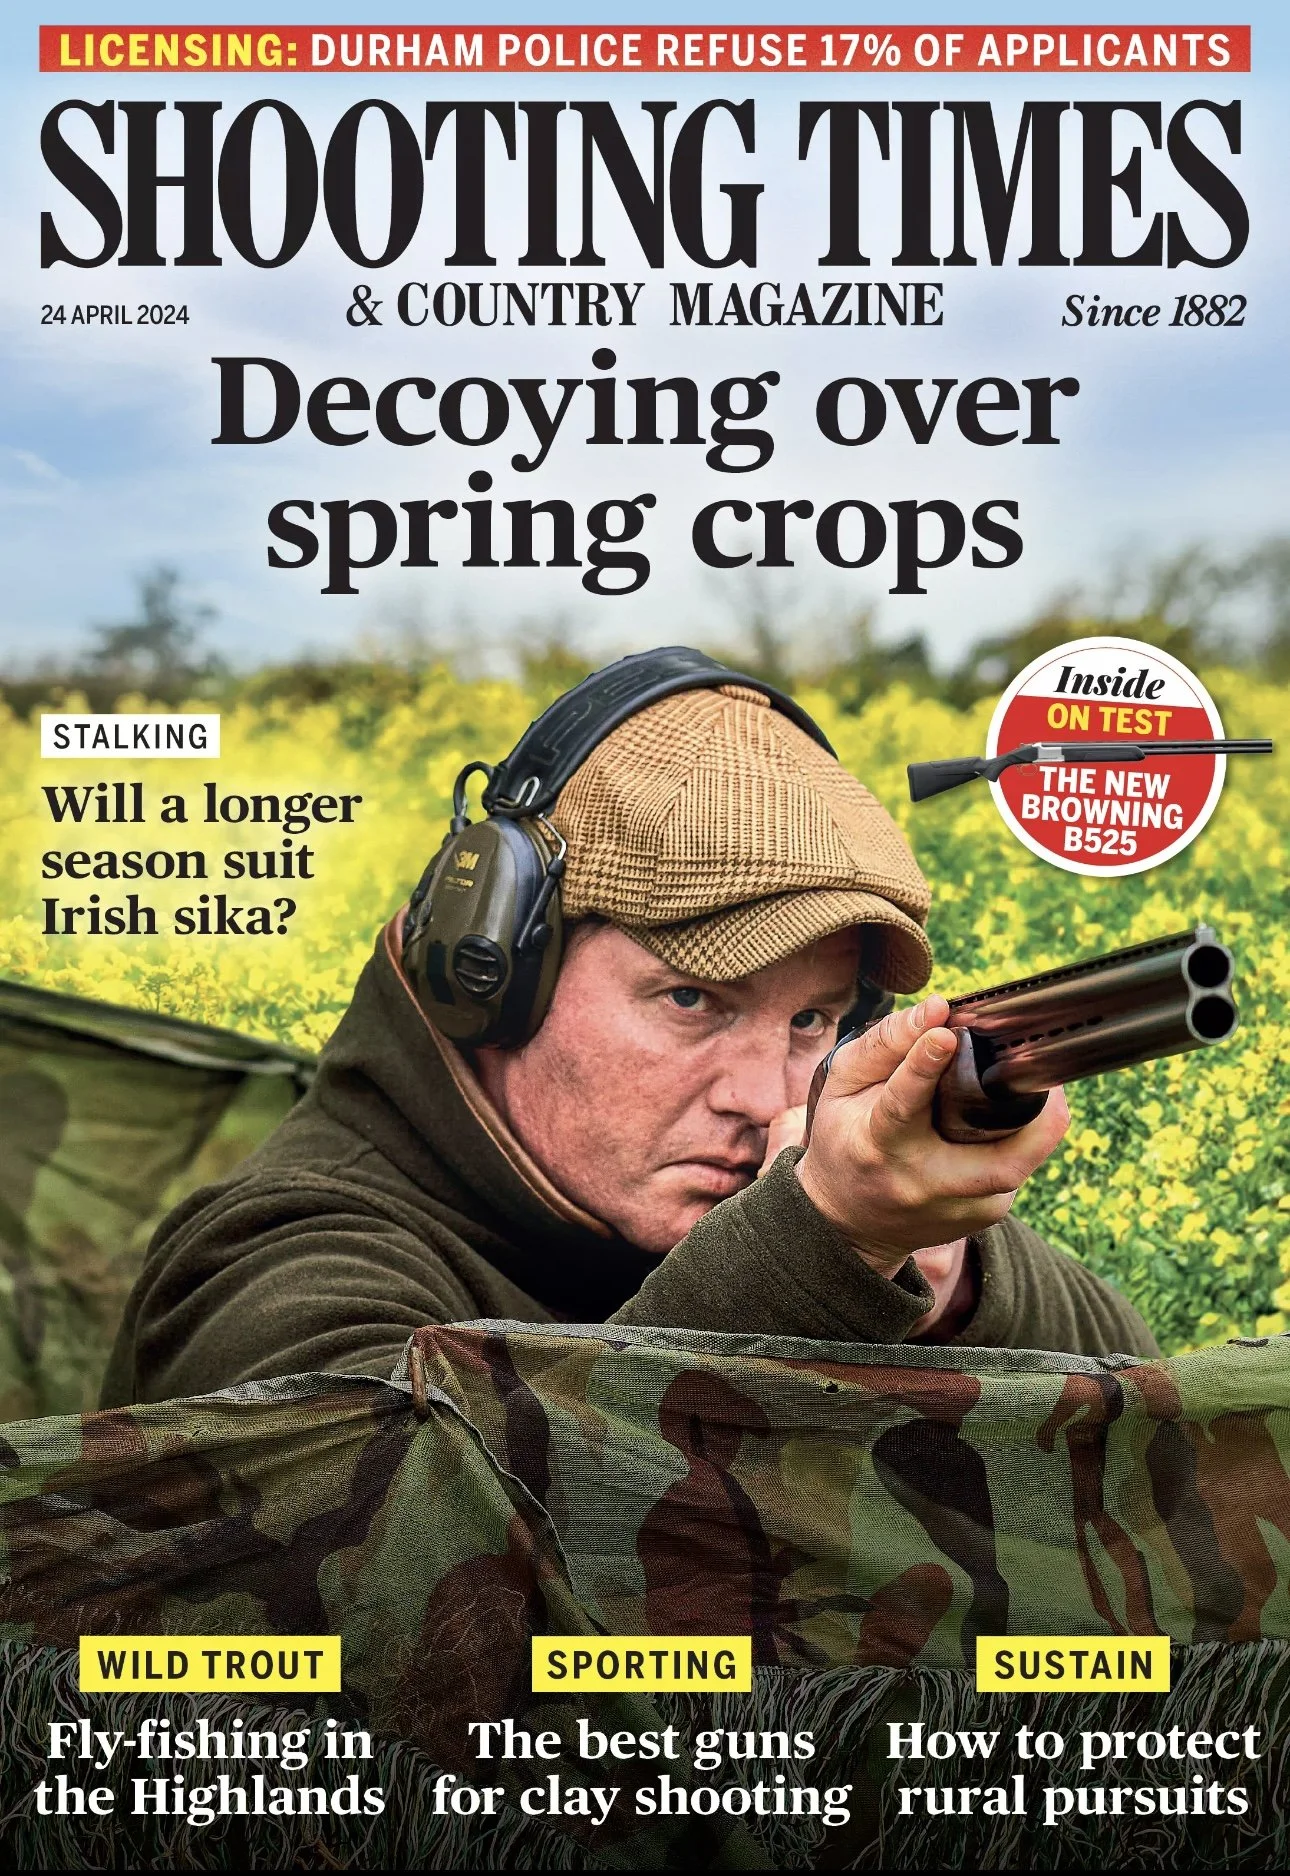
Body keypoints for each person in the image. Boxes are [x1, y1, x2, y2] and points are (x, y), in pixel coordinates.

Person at [101, 654, 1156, 1406]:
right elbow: (424, 1560)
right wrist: (817, 1243)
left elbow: (1141, 1394)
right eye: (693, 999)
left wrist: (940, 1270)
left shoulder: (678, 1208)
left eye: (811, 1019)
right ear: (492, 971)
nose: (764, 1096)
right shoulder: (280, 1259)